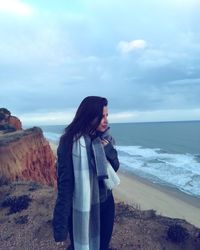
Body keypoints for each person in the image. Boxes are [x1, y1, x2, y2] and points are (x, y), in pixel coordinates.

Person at [53, 96, 120, 250]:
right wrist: (60, 227)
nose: (106, 120)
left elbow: (114, 169)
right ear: (89, 116)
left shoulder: (105, 139)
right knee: (80, 246)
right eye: (101, 116)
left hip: (106, 203)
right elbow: (65, 185)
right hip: (81, 206)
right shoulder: (70, 143)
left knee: (103, 245)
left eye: (107, 116)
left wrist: (109, 151)